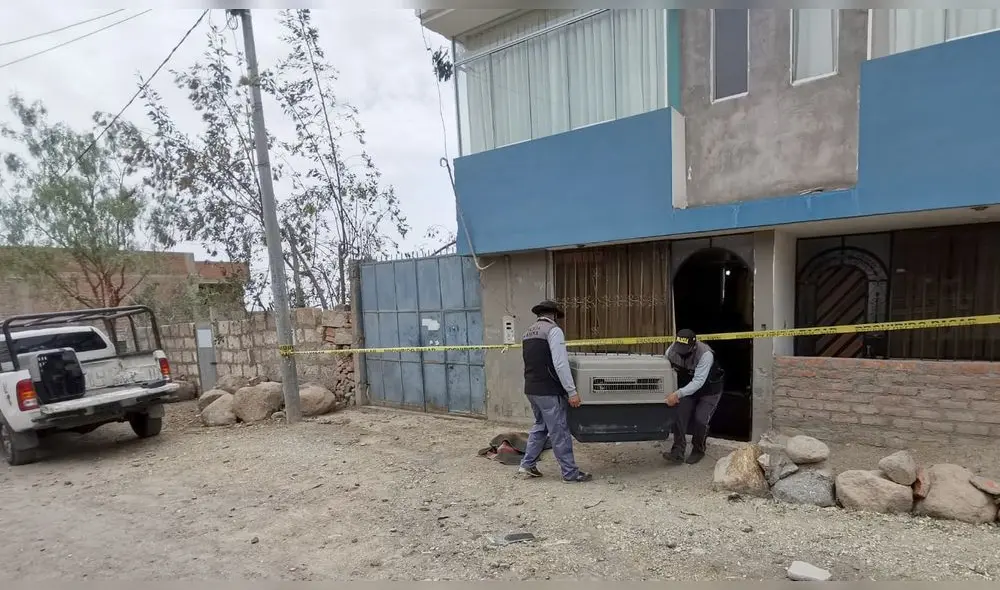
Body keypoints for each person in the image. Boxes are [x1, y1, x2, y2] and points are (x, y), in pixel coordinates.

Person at [517, 299, 593, 483]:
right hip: (548, 390)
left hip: (531, 388)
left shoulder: (528, 333)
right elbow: (560, 364)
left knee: (540, 427)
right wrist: (572, 391)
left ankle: (527, 465)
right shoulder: (553, 331)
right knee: (559, 430)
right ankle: (570, 473)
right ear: (554, 315)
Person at [663, 328, 725, 465]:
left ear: (693, 345)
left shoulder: (705, 354)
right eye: (680, 348)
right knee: (678, 415)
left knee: (701, 420)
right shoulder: (671, 351)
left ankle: (698, 450)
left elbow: (698, 382)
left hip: (709, 390)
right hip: (688, 388)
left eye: (685, 349)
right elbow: (667, 372)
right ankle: (678, 452)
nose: (682, 352)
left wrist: (677, 394)